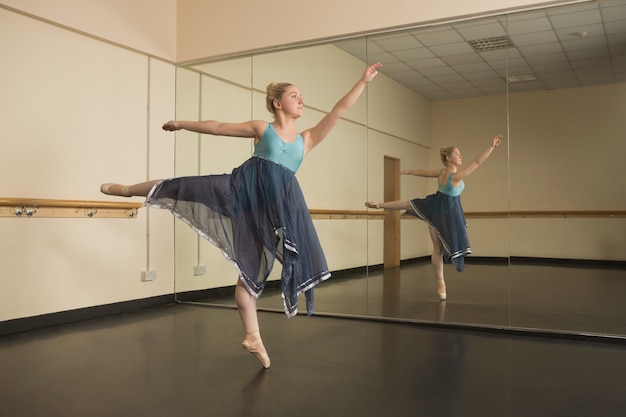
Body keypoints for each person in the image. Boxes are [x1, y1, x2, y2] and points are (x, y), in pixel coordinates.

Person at [101, 62, 383, 368]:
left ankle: (253, 337)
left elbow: (338, 111)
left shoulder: (307, 139)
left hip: (265, 215)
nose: (301, 100)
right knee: (183, 185)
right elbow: (219, 127)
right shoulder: (264, 129)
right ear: (278, 103)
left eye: (301, 96)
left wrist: (363, 81)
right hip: (237, 191)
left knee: (250, 275)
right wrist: (183, 123)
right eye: (294, 95)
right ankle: (128, 189)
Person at [365, 135, 502, 301]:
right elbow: (477, 162)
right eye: (458, 154)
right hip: (447, 214)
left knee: (412, 209)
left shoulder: (441, 172)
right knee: (439, 247)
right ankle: (441, 284)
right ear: (449, 158)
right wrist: (491, 146)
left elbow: (425, 173)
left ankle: (380, 204)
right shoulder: (455, 177)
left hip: (435, 208)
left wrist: (409, 172)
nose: (461, 156)